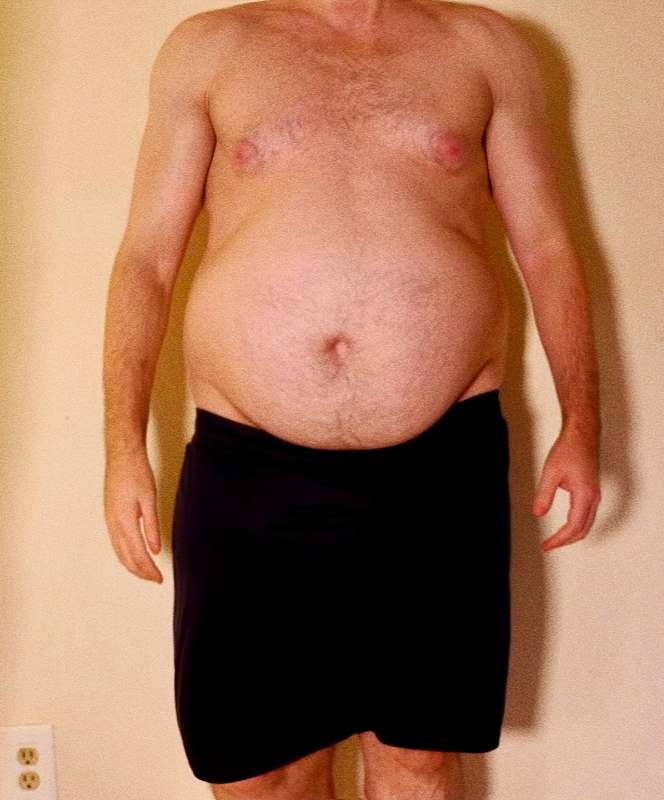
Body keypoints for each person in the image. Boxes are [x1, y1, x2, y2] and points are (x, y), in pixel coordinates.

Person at [102, 1, 602, 798]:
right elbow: (147, 259)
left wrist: (582, 424)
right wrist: (123, 445)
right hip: (248, 468)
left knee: (419, 759)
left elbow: (546, 248)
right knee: (263, 771)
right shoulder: (210, 48)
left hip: (442, 467)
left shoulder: (483, 47)